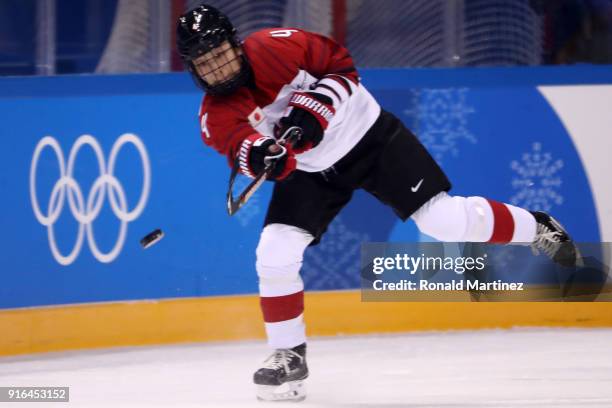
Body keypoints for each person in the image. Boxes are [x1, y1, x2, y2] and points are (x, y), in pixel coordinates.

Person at [176, 4, 579, 402]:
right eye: (204, 63)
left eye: (220, 54)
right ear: (193, 69)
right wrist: (267, 156)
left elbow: (341, 65)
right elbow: (241, 148)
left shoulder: (276, 47)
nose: (217, 68)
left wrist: (312, 110)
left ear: (236, 45)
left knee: (444, 220)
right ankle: (289, 355)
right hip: (311, 170)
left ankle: (538, 226)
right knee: (274, 251)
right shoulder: (215, 115)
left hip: (370, 138)